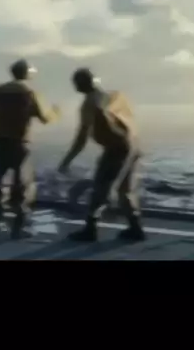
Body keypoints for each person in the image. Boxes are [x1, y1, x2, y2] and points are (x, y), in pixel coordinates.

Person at [58, 68, 145, 242]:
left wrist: (66, 161)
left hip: (116, 149)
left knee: (100, 189)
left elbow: (81, 138)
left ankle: (90, 229)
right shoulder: (116, 95)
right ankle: (135, 228)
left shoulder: (89, 103)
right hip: (132, 146)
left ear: (80, 84)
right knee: (125, 190)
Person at [0, 59, 60, 239]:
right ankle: (19, 226)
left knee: (1, 181)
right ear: (27, 73)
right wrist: (57, 112)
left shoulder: (0, 90)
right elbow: (45, 118)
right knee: (23, 184)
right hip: (19, 142)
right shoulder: (30, 92)